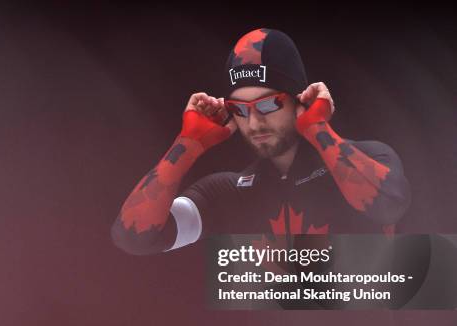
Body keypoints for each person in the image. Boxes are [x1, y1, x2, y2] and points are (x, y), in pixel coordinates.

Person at [111, 28, 411, 255]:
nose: (254, 123)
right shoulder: (227, 192)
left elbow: (387, 206)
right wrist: (187, 145)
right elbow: (134, 237)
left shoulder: (371, 157)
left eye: (269, 104)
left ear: (299, 101)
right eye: (239, 110)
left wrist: (318, 128)